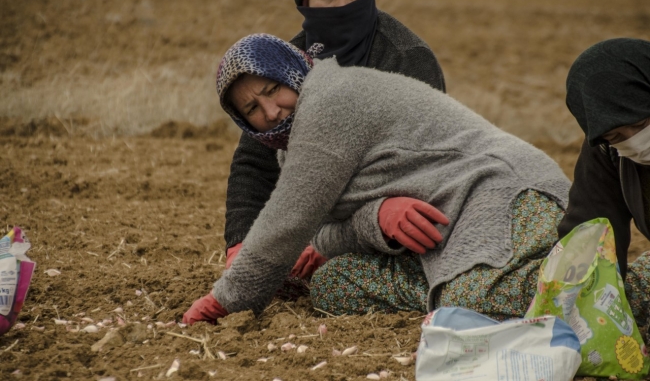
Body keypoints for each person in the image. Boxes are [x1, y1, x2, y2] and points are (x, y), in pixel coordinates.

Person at [184, 34, 581, 324]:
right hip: (444, 228)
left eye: (272, 89)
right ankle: (449, 292)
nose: (270, 111)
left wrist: (226, 300)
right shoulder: (291, 146)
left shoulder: (330, 98)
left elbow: (288, 222)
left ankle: (628, 285)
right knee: (333, 283)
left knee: (467, 300)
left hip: (505, 192)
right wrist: (376, 218)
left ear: (291, 71)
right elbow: (323, 230)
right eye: (252, 108)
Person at [223, 0, 446, 282]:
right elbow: (255, 163)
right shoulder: (287, 61)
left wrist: (329, 243)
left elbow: (421, 171)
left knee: (333, 282)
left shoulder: (405, 58)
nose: (343, 4)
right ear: (305, 3)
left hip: (398, 220)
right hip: (321, 215)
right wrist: (240, 244)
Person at [558, 37, 650, 328]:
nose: (634, 142)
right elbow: (593, 230)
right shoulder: (607, 152)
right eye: (617, 137)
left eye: (639, 125)